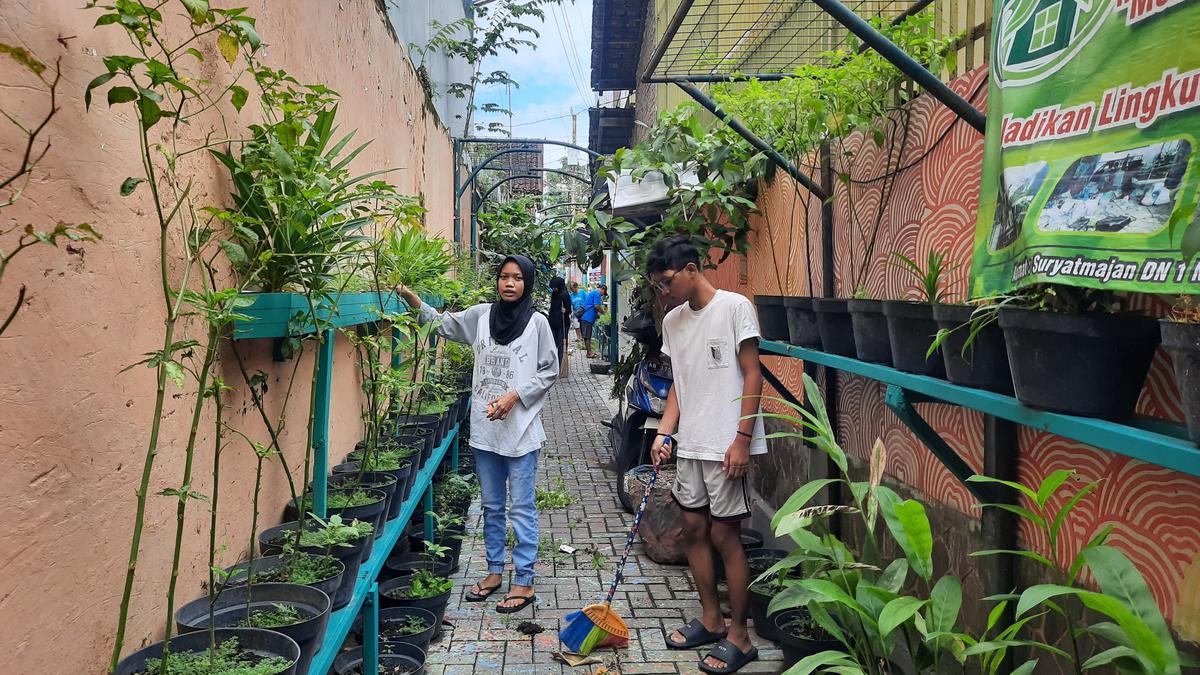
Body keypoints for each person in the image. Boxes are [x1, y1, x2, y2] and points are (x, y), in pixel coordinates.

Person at [396, 254, 558, 614]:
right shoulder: (481, 316)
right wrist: (410, 298)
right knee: (491, 505)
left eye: (517, 277)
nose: (510, 283)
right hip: (486, 430)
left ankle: (525, 580)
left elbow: (550, 370)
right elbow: (443, 324)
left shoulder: (537, 323)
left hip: (520, 432)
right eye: (504, 277)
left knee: (521, 508)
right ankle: (495, 571)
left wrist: (516, 396)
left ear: (527, 283)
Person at [646, 236, 766, 674]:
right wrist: (664, 432)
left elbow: (753, 373)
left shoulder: (735, 308)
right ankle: (712, 620)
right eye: (657, 284)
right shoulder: (673, 322)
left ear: (692, 269)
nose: (663, 291)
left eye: (666, 281)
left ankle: (741, 636)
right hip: (692, 443)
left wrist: (742, 439)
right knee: (693, 530)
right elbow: (680, 381)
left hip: (725, 443)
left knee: (725, 537)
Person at [548, 276, 572, 366]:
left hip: (562, 324)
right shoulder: (554, 294)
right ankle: (553, 365)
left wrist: (565, 310)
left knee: (562, 345)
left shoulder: (565, 295)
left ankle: (561, 365)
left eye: (555, 287)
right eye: (552, 287)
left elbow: (569, 310)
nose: (553, 289)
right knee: (552, 344)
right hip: (553, 323)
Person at [579, 282, 607, 358]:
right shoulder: (597, 294)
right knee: (588, 336)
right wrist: (604, 313)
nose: (602, 295)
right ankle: (589, 353)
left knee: (586, 336)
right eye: (603, 293)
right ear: (603, 289)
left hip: (585, 317)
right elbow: (596, 306)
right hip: (587, 318)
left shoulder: (593, 293)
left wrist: (598, 315)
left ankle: (589, 352)